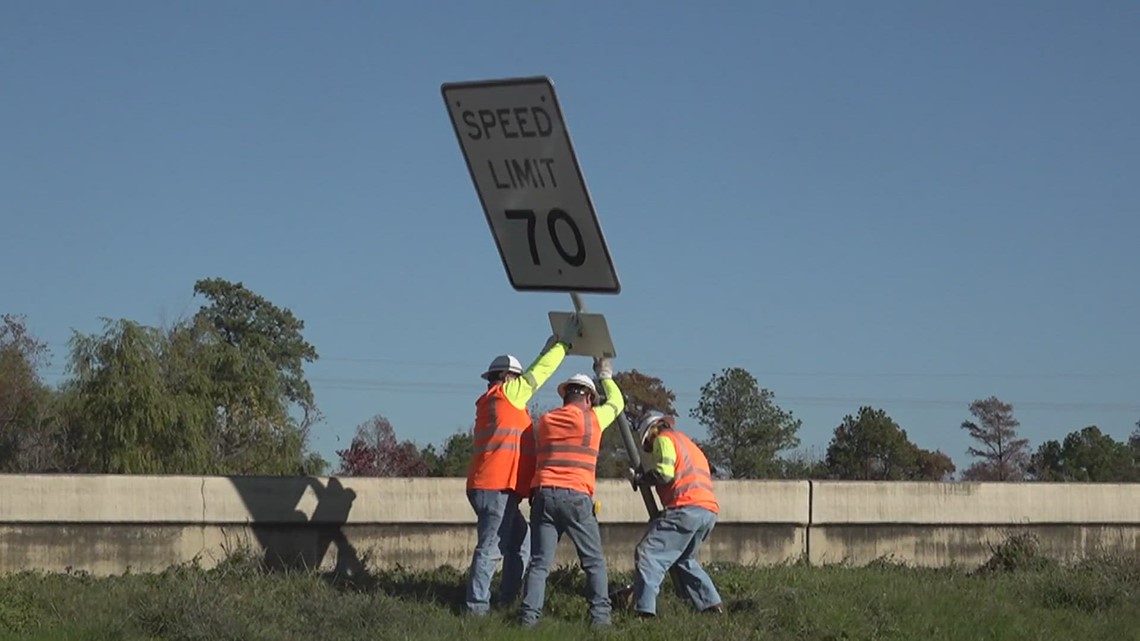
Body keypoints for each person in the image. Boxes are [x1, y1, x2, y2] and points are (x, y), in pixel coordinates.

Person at [463, 314, 581, 616]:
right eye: (516, 377)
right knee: (491, 549)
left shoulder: (489, 402)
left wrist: (548, 344)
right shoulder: (508, 396)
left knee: (520, 543)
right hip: (497, 487)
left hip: (491, 486)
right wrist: (563, 344)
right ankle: (477, 609)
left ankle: (506, 599)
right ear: (508, 378)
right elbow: (538, 373)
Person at [517, 357, 624, 629]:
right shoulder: (593, 419)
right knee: (594, 562)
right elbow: (617, 403)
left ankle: (528, 620)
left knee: (539, 563)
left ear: (565, 395)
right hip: (577, 497)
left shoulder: (545, 421)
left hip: (543, 495)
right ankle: (600, 620)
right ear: (588, 397)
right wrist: (605, 373)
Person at [626, 410, 724, 618]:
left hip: (685, 508)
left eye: (648, 445)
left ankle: (644, 612)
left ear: (651, 431)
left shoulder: (663, 440)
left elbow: (664, 474)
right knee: (684, 560)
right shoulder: (688, 443)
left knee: (648, 554)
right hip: (707, 511)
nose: (651, 449)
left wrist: (640, 479)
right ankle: (711, 606)